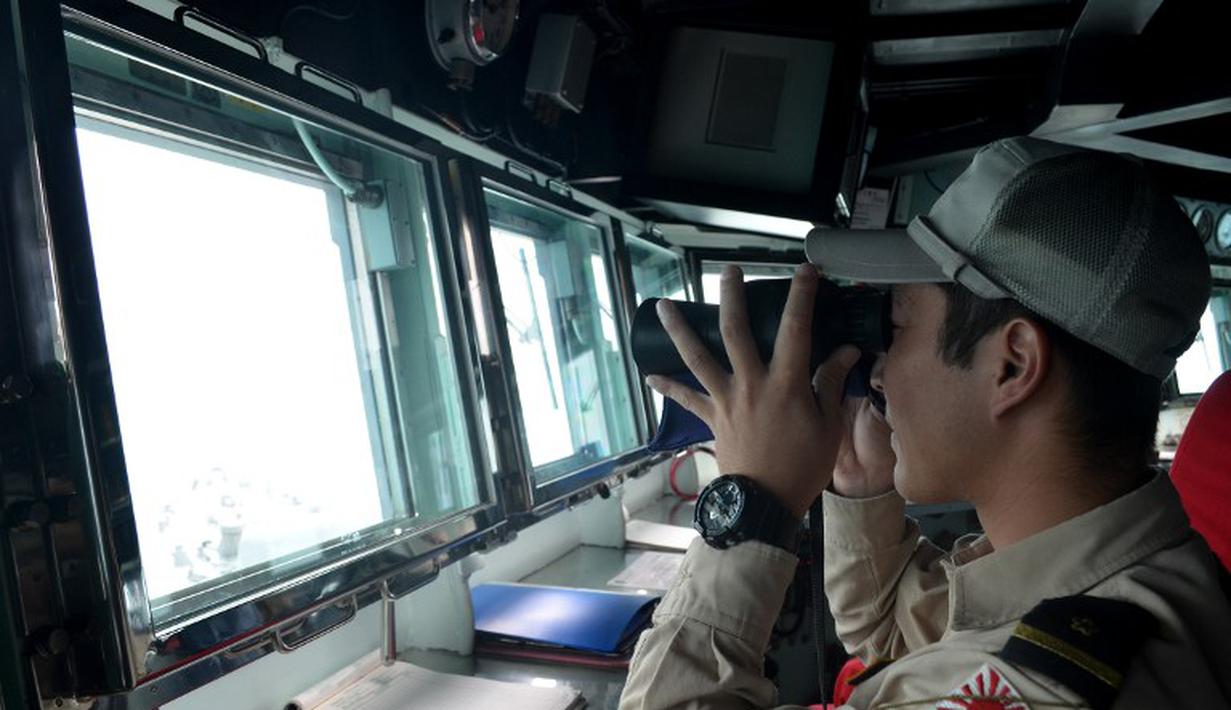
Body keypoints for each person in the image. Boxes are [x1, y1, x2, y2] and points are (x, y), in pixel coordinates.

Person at [618, 137, 1231, 709]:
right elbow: (899, 632)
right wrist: (861, 487)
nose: (879, 375)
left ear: (1011, 365)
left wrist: (751, 508)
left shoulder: (1038, 689)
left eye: (899, 327)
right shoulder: (1115, 572)